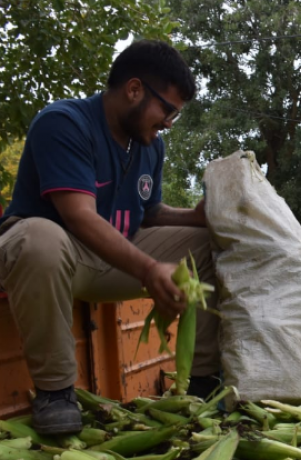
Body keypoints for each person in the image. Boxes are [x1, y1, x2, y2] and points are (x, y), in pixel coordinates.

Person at [0, 41, 223, 435]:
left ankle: (203, 382)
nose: (169, 122)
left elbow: (149, 212)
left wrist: (195, 217)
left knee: (208, 244)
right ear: (134, 89)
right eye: (167, 110)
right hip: (58, 258)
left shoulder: (149, 145)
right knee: (39, 238)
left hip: (115, 258)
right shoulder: (64, 123)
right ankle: (55, 392)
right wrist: (150, 268)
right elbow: (81, 218)